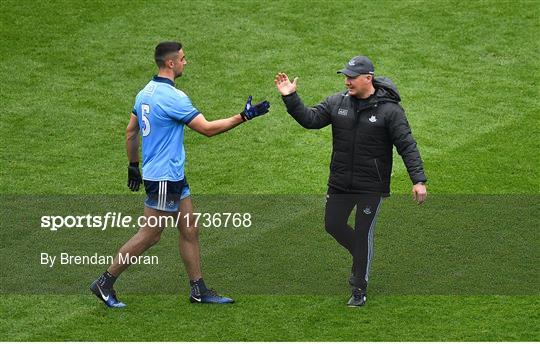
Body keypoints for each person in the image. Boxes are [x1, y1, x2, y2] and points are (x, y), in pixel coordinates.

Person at [90, 41, 270, 308]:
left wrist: (133, 165)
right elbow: (207, 129)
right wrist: (244, 117)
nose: (187, 62)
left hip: (167, 174)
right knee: (151, 234)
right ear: (171, 63)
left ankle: (198, 289)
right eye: (184, 59)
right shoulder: (173, 97)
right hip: (164, 177)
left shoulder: (144, 93)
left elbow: (131, 131)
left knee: (189, 228)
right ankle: (105, 282)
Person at [274, 55, 427, 307]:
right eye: (345, 76)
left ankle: (359, 288)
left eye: (351, 77)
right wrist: (290, 97)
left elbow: (407, 145)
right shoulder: (337, 103)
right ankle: (362, 254)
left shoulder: (390, 111)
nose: (346, 81)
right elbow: (311, 120)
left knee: (364, 231)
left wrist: (418, 180)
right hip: (339, 182)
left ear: (368, 78)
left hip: (371, 186)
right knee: (333, 225)